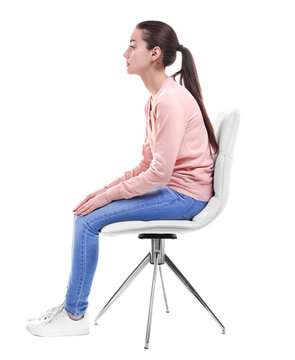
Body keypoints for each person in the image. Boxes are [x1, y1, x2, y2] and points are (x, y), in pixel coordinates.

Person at [26, 20, 219, 337]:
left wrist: (106, 199)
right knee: (85, 211)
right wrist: (103, 191)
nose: (124, 53)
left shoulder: (170, 100)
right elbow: (147, 163)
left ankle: (75, 317)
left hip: (185, 198)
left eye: (133, 45)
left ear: (154, 53)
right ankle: (72, 308)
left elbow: (159, 173)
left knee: (86, 221)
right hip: (175, 191)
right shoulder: (156, 99)